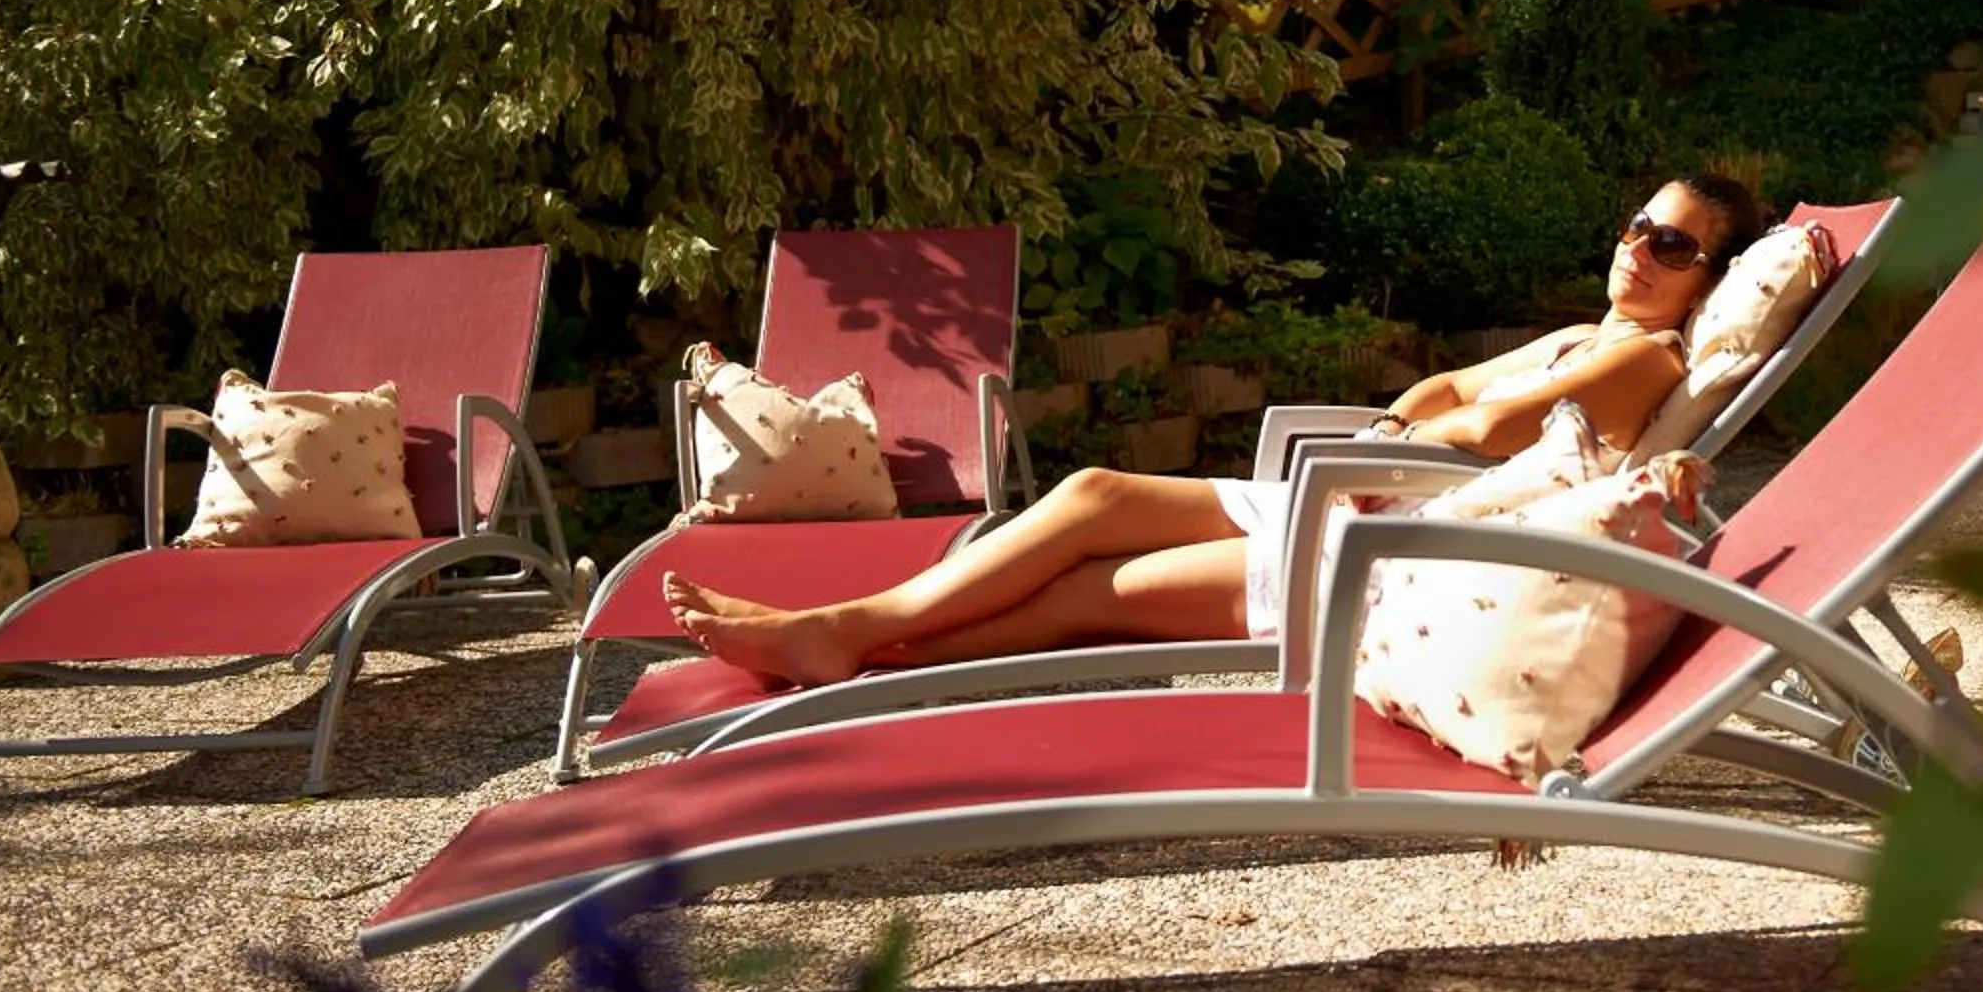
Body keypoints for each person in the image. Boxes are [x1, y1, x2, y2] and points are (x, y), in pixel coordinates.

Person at [663, 174, 1769, 686]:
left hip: (1398, 544)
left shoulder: (1644, 358)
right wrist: (1420, 417)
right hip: (1370, 487)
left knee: (1091, 592)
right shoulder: (1586, 333)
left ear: (1708, 279)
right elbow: (1443, 389)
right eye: (1638, 225)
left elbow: (1480, 424)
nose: (1639, 249)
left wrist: (1430, 419)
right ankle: (844, 633)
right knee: (1094, 497)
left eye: (1672, 246)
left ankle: (846, 643)